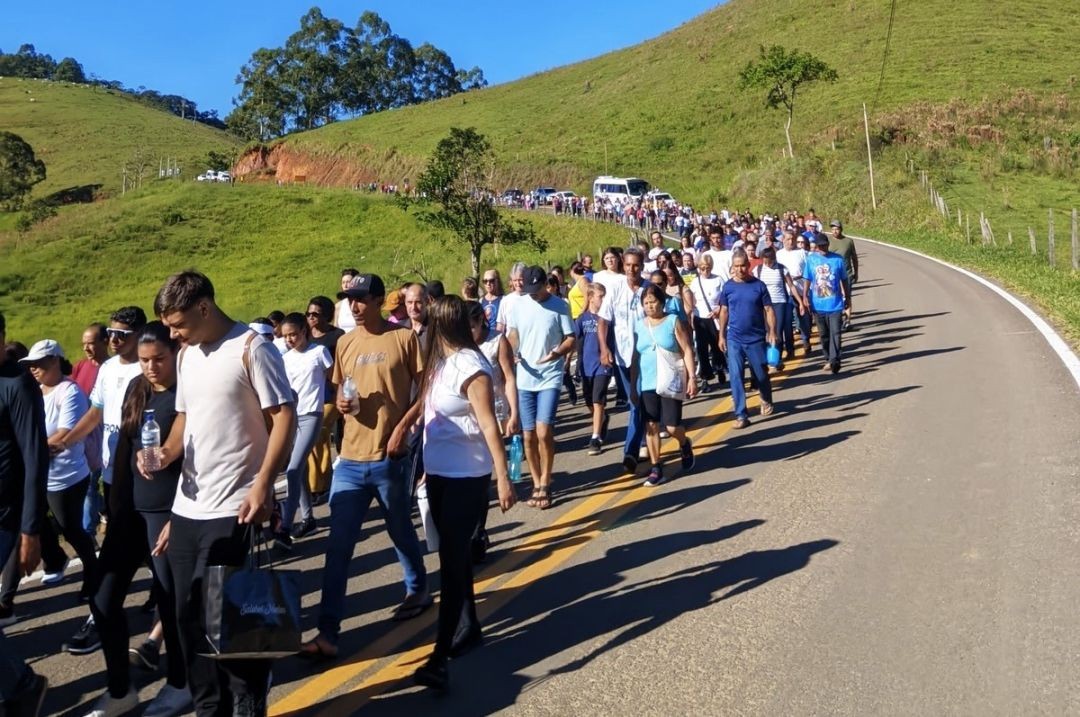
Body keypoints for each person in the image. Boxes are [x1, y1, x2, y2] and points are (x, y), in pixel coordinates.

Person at [154, 271, 296, 717]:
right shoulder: (186, 356)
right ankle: (208, 708)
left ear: (204, 307)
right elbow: (185, 418)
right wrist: (166, 452)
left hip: (235, 506)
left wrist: (264, 484)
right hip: (188, 507)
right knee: (185, 616)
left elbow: (284, 417)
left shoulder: (253, 348)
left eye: (178, 324)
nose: (173, 334)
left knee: (228, 619)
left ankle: (247, 699)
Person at [301, 273, 430, 660]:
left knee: (399, 528)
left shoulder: (402, 338)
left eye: (360, 299)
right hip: (350, 461)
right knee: (338, 548)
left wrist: (403, 430)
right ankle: (328, 632)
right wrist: (341, 400)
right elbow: (341, 385)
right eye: (348, 300)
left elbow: (426, 389)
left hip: (389, 457)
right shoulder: (345, 342)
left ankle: (417, 589)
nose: (353, 306)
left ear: (377, 300)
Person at [410, 297, 517, 692]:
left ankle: (438, 658)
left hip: (467, 477)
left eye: (430, 322)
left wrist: (503, 478)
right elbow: (430, 416)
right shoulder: (442, 364)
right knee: (451, 559)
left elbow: (489, 425)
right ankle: (469, 627)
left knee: (453, 564)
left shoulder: (473, 366)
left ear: (443, 325)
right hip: (439, 475)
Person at [83, 323, 190, 717]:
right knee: (103, 597)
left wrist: (180, 517)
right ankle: (120, 690)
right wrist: (114, 511)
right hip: (129, 511)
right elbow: (125, 451)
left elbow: (199, 460)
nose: (150, 367)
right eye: (144, 360)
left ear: (176, 353)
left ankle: (181, 682)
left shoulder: (187, 395)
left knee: (170, 602)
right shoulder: (136, 388)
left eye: (159, 358)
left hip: (168, 512)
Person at [52, 306, 148, 655]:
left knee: (120, 552)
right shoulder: (107, 369)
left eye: (121, 334)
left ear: (139, 335)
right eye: (111, 333)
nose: (113, 340)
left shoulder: (148, 366)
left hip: (142, 476)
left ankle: (102, 618)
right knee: (135, 548)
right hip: (111, 475)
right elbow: (96, 412)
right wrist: (66, 440)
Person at [0, 311, 50, 717]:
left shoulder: (17, 384)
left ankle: (22, 684)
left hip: (5, 516)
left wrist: (30, 530)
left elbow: (36, 459)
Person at [506, 266, 574, 510]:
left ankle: (546, 481)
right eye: (529, 290)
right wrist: (512, 351)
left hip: (550, 376)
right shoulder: (518, 306)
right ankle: (536, 482)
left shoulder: (560, 306)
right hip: (525, 378)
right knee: (528, 435)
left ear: (546, 283)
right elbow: (513, 334)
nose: (533, 294)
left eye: (537, 289)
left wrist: (557, 353)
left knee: (544, 431)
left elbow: (571, 338)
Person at [275, 312, 332, 548]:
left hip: (312, 415)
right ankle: (308, 519)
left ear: (304, 331)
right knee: (299, 469)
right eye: (285, 336)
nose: (289, 339)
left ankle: (285, 527)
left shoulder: (319, 352)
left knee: (293, 469)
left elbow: (334, 380)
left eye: (293, 335)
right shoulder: (285, 358)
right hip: (291, 416)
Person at [631, 284, 698, 487]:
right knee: (651, 426)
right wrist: (633, 386)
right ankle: (656, 468)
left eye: (653, 302)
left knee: (671, 426)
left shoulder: (672, 321)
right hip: (647, 383)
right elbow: (635, 357)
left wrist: (692, 377)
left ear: (662, 302)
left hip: (670, 379)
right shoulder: (639, 325)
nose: (650, 306)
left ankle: (684, 443)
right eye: (646, 303)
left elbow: (686, 349)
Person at [597, 247, 647, 472]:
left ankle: (630, 452)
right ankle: (644, 439)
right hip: (622, 357)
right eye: (628, 265)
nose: (631, 269)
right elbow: (603, 321)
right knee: (635, 402)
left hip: (645, 356)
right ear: (623, 265)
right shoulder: (616, 289)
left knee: (637, 402)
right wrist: (604, 348)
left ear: (642, 266)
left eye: (635, 265)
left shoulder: (649, 290)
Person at [719, 250, 778, 429]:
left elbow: (768, 310)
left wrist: (772, 331)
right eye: (736, 266)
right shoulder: (728, 287)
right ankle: (741, 414)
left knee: (761, 374)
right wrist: (721, 335)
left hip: (756, 338)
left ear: (748, 265)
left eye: (743, 265)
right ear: (732, 267)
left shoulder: (758, 286)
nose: (740, 269)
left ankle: (766, 398)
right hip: (734, 338)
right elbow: (724, 311)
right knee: (736, 376)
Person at [303, 296, 344, 526]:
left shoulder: (337, 337)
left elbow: (342, 366)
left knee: (319, 432)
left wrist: (340, 392)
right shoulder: (304, 336)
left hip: (331, 396)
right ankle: (315, 482)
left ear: (326, 315)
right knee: (308, 439)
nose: (311, 318)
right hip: (308, 397)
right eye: (308, 313)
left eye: (315, 314)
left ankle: (320, 484)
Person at [72, 323, 107, 541]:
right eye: (84, 344)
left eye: (91, 343)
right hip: (85, 435)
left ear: (105, 341)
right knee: (89, 486)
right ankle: (94, 525)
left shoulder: (111, 368)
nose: (86, 348)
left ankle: (88, 532)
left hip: (106, 434)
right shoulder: (80, 367)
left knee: (93, 485)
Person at [803, 234, 850, 374]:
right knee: (823, 335)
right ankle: (828, 358)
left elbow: (844, 279)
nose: (822, 248)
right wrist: (805, 295)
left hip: (835, 304)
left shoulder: (837, 259)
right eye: (819, 246)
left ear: (828, 244)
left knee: (836, 333)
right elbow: (807, 278)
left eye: (824, 245)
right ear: (816, 246)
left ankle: (835, 360)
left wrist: (847, 297)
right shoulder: (811, 260)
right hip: (818, 305)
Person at [575, 283, 613, 455]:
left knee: (598, 400)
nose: (603, 299)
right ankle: (603, 418)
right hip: (586, 365)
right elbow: (575, 341)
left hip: (603, 364)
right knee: (589, 401)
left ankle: (595, 437)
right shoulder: (582, 319)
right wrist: (567, 361)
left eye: (605, 296)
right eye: (600, 296)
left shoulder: (607, 317)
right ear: (590, 297)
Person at [754, 246, 806, 370]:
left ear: (773, 258)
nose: (767, 264)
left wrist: (800, 302)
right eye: (765, 261)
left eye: (769, 261)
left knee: (777, 331)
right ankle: (770, 357)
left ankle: (777, 359)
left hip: (779, 303)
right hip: (764, 305)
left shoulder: (782, 269)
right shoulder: (758, 270)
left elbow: (791, 286)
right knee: (767, 331)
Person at [688, 253, 726, 391]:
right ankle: (705, 378)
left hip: (714, 319)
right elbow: (691, 301)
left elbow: (725, 298)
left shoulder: (718, 280)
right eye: (702, 268)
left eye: (708, 268)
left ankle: (720, 368)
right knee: (702, 349)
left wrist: (719, 309)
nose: (705, 271)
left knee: (716, 347)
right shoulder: (695, 282)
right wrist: (691, 317)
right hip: (700, 319)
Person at [776, 230, 812, 356]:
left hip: (800, 288)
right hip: (785, 290)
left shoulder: (802, 252)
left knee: (804, 317)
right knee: (787, 321)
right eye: (788, 239)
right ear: (783, 240)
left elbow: (809, 270)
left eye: (792, 239)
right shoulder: (778, 254)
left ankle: (806, 339)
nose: (790, 241)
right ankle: (790, 348)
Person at [495, 262, 528, 334]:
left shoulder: (533, 298)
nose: (518, 284)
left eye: (520, 280)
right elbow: (500, 326)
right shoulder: (506, 300)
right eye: (515, 280)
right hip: (511, 339)